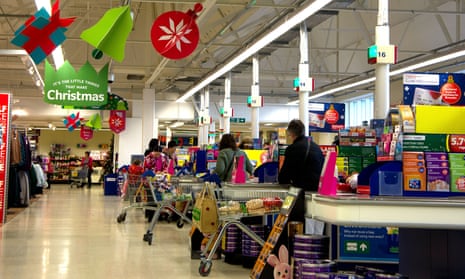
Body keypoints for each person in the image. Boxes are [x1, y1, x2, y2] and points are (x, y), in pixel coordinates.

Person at [278, 119, 324, 220]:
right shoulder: (316, 148)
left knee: (290, 223)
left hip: (297, 194)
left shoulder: (292, 149)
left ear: (291, 134)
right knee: (314, 228)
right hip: (317, 197)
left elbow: (283, 178)